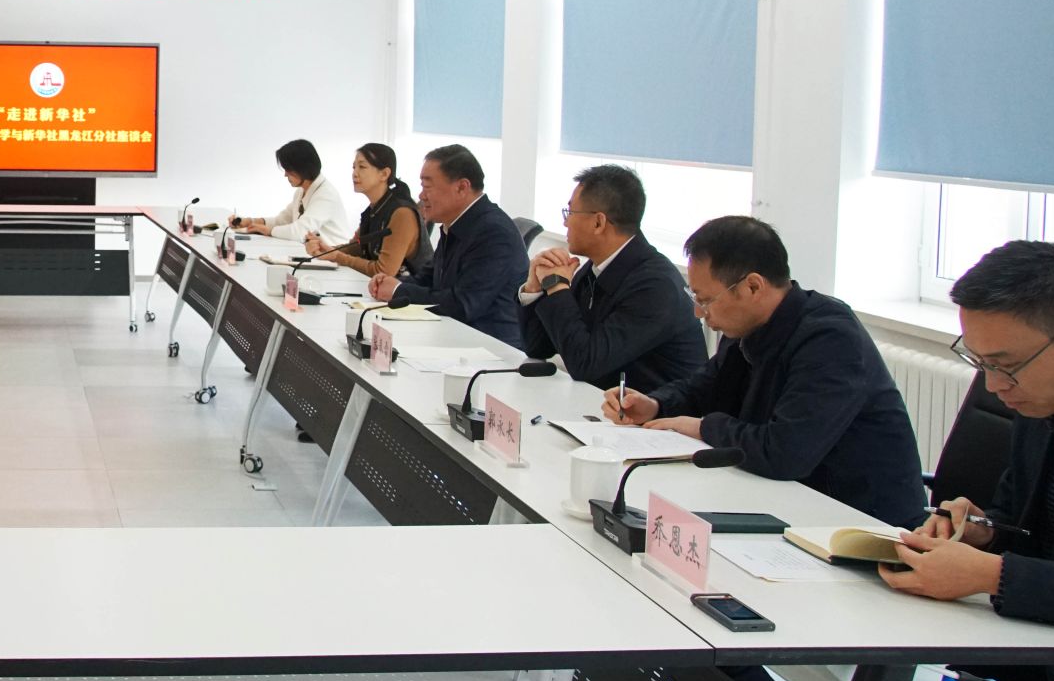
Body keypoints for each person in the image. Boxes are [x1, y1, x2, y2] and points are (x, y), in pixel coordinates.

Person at [871, 241, 1054, 681]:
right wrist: (982, 531)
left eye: (1006, 365)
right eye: (979, 362)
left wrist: (994, 574)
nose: (993, 386)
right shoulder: (1043, 405)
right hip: (1023, 644)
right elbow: (1025, 521)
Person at [600, 215, 924, 527]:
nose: (698, 312)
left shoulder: (830, 339)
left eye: (706, 299)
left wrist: (702, 428)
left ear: (753, 287)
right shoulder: (746, 327)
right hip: (786, 502)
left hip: (862, 524)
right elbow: (705, 386)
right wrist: (656, 404)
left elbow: (785, 451)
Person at [517, 164, 705, 391]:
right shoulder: (595, 268)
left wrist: (557, 286)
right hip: (604, 404)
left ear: (598, 222)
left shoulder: (655, 287)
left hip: (657, 411)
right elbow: (538, 348)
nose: (565, 222)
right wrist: (534, 288)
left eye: (570, 212)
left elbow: (585, 364)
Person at [366, 144, 526, 348]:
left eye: (427, 186)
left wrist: (398, 290)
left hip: (491, 349)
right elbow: (429, 278)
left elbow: (463, 304)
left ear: (462, 187)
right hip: (454, 337)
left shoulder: (493, 232)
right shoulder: (457, 222)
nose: (421, 196)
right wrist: (391, 283)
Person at [303, 143, 431, 278]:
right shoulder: (375, 209)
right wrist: (326, 250)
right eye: (354, 167)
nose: (354, 173)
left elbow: (383, 271)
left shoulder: (402, 213)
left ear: (384, 174)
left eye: (362, 167)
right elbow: (356, 247)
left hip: (409, 289)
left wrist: (337, 256)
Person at [231, 138, 352, 245]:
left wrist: (269, 231)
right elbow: (282, 221)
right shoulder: (301, 191)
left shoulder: (326, 195)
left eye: (288, 169)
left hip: (335, 259)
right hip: (316, 255)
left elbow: (300, 232)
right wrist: (251, 222)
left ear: (302, 168)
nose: (285, 174)